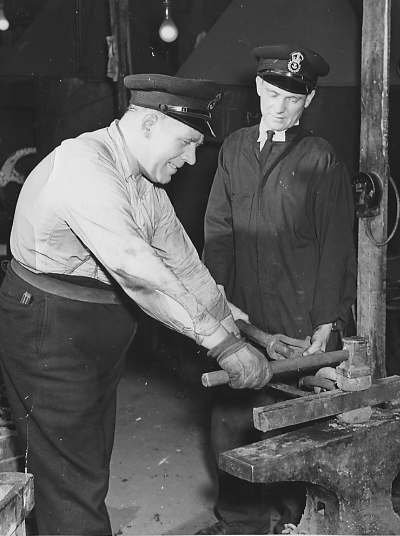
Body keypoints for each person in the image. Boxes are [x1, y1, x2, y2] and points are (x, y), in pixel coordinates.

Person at [0, 74, 272, 536]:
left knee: (87, 459)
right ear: (148, 124)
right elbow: (136, 271)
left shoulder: (145, 186)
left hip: (95, 326)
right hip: (50, 325)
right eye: (186, 142)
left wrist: (232, 325)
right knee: (69, 476)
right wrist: (223, 345)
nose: (191, 158)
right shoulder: (84, 165)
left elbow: (185, 265)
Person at [202, 44, 356, 533]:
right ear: (258, 88)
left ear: (308, 100)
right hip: (243, 311)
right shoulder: (234, 149)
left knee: (297, 428)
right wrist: (218, 298)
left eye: (292, 99)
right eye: (272, 94)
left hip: (298, 314)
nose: (280, 107)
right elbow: (218, 230)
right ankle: (240, 520)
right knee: (233, 420)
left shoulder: (320, 157)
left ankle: (296, 522)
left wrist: (326, 322)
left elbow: (337, 246)